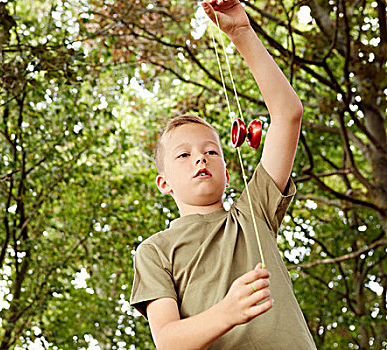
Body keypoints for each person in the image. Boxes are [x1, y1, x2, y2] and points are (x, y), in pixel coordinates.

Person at [129, 0, 317, 349]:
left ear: (227, 173)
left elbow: (288, 113)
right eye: (184, 155)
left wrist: (241, 31)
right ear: (164, 183)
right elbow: (168, 342)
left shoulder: (253, 212)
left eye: (211, 151)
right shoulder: (155, 251)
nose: (200, 158)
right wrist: (228, 311)